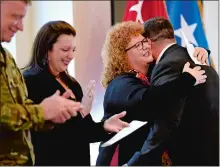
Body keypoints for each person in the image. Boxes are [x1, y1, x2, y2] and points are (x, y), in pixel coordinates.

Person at [95, 21, 209, 166]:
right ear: (121, 55)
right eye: (138, 45)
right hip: (122, 160)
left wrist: (201, 51)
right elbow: (150, 102)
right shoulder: (119, 84)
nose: (146, 46)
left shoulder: (149, 76)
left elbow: (173, 61)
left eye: (144, 41)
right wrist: (187, 80)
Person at [22, 20, 129, 166]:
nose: (71, 56)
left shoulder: (71, 83)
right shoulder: (31, 82)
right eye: (65, 50)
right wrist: (80, 113)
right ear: (47, 49)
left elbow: (85, 131)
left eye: (73, 50)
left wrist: (105, 126)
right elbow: (42, 135)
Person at [0, 1, 84, 165]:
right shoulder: (33, 77)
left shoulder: (7, 58)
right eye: (15, 16)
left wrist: (52, 114)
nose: (21, 27)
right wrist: (41, 111)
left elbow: (21, 105)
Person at [128, 17, 218, 166]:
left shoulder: (167, 64)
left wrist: (138, 161)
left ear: (148, 42)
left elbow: (166, 119)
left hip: (190, 156)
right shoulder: (196, 56)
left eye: (142, 43)